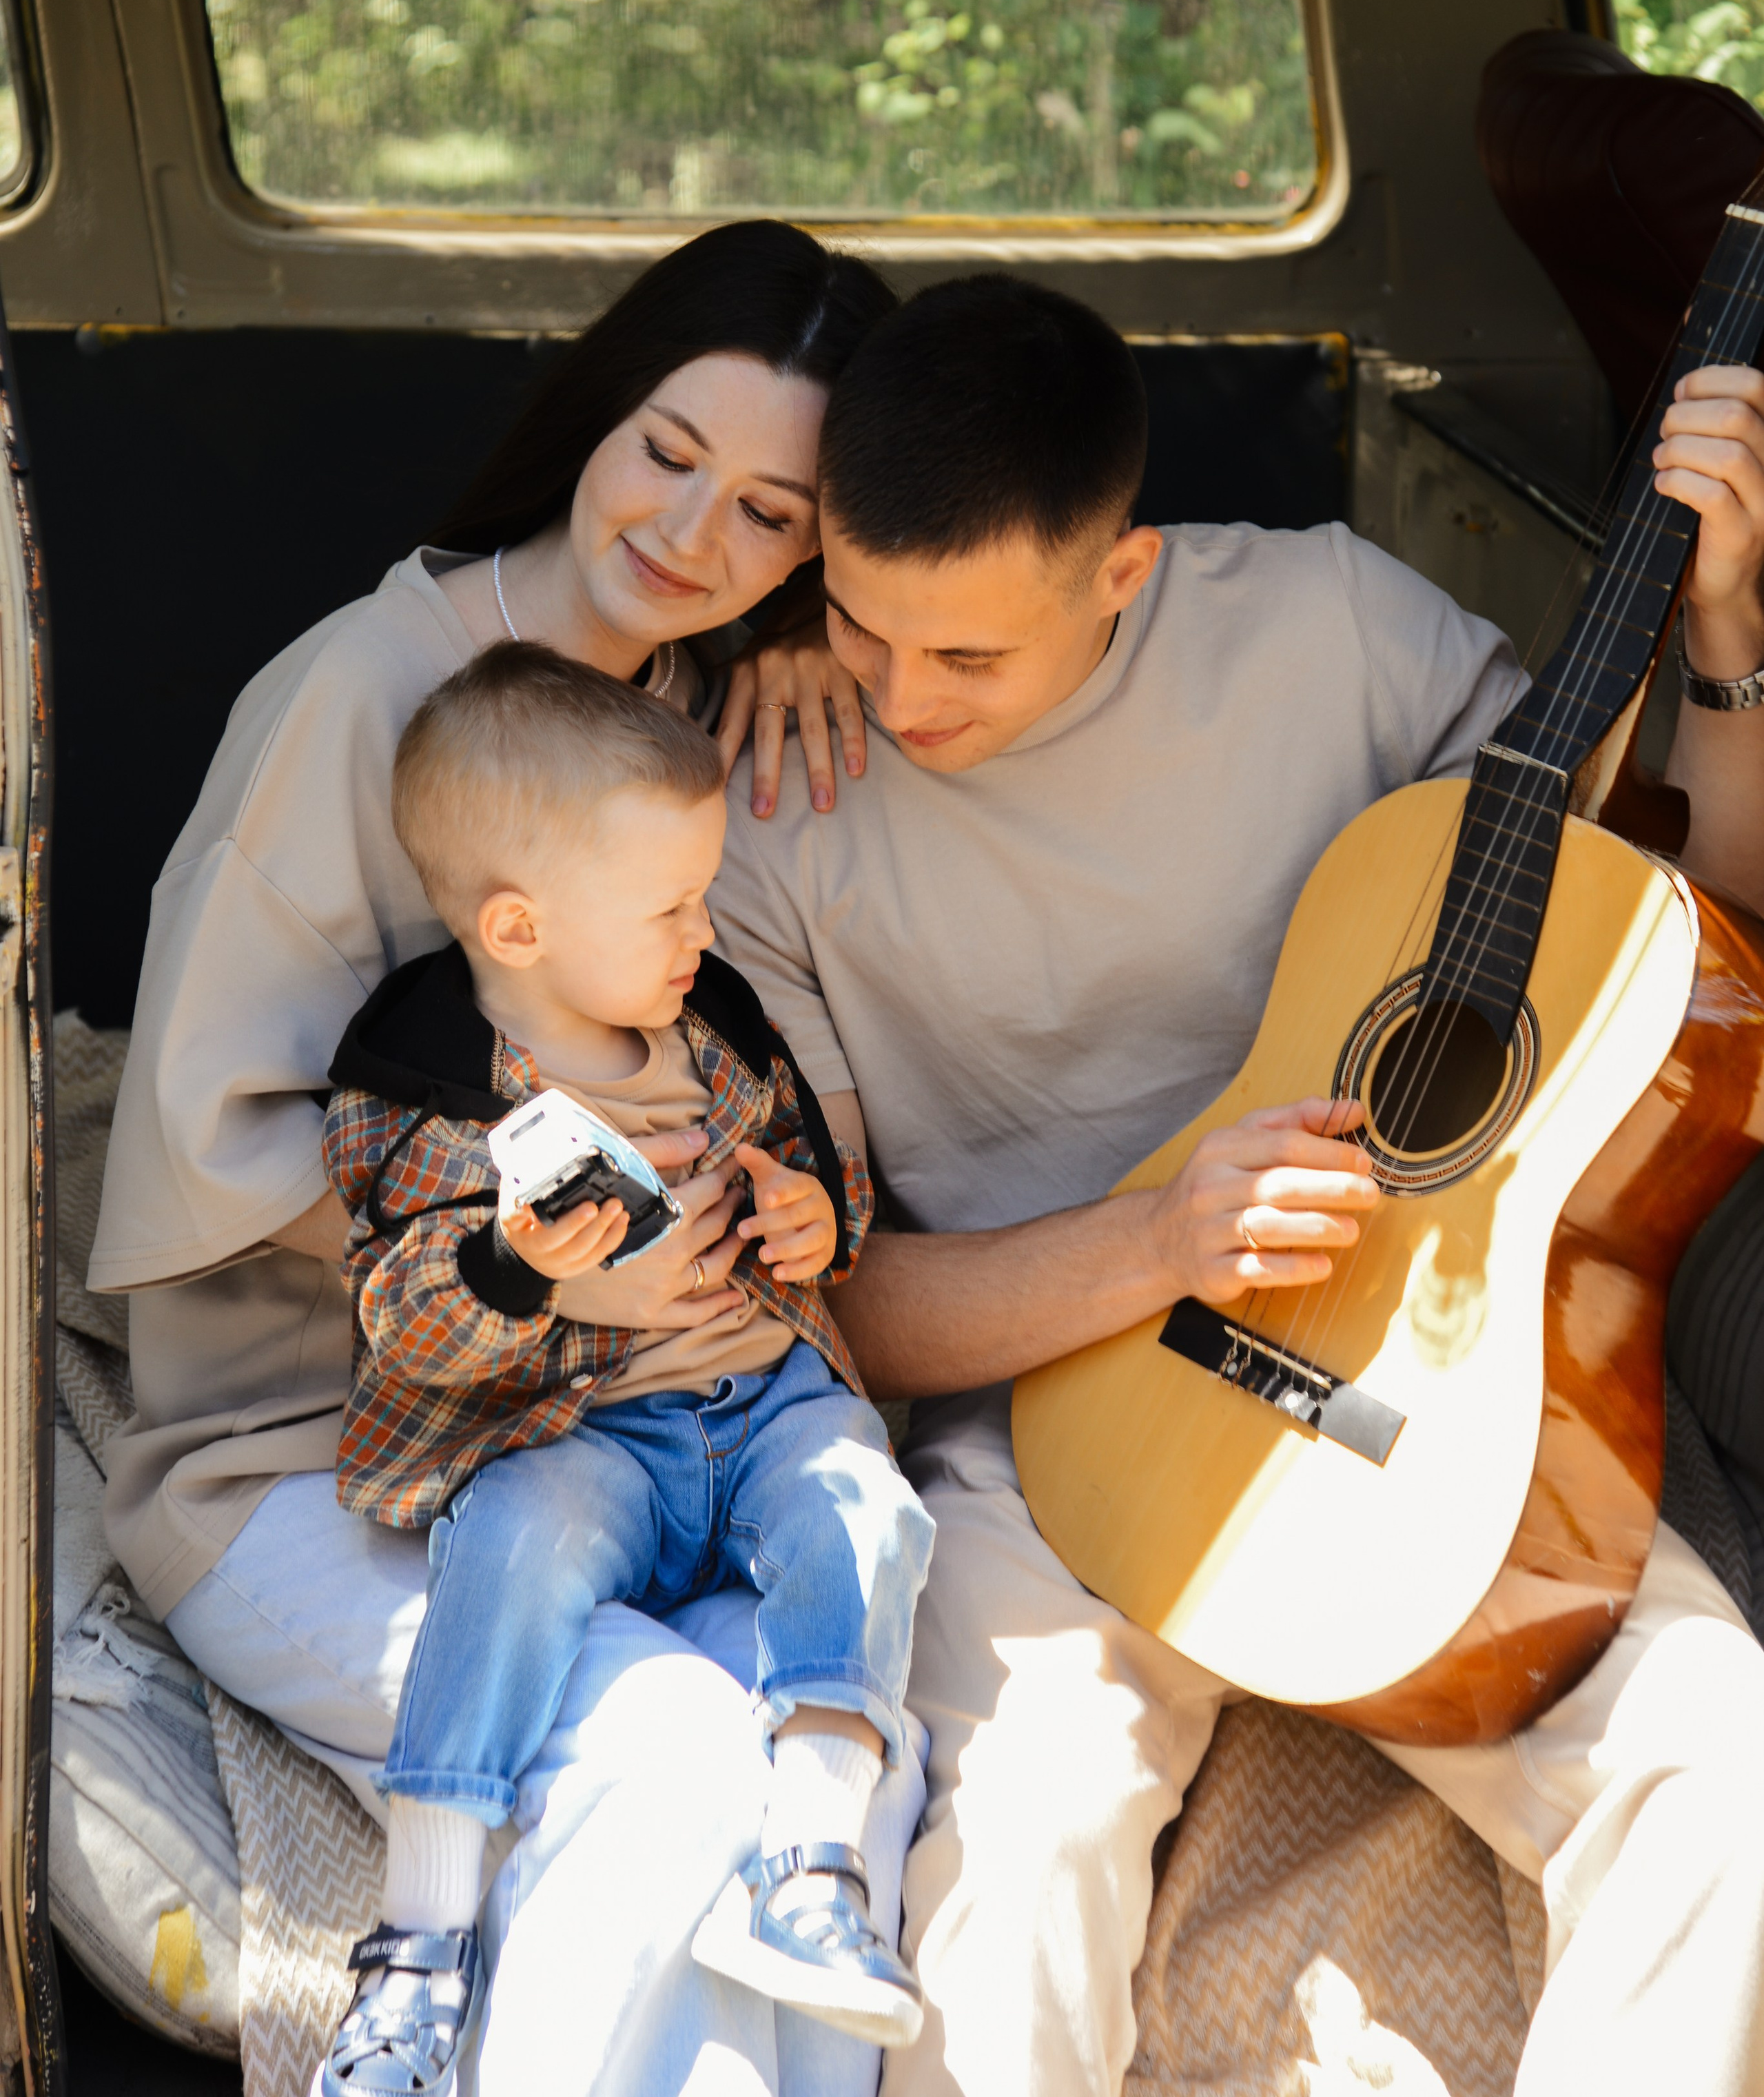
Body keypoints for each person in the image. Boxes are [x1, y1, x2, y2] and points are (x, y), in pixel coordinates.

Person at [709, 273, 1764, 2097]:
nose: (898, 697)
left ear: (1125, 573)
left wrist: (1731, 622)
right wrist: (1157, 1236)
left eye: (968, 657)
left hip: (1429, 1401)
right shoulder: (770, 795)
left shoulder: (1332, 628)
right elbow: (848, 1308)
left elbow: (1684, 932)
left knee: (1720, 1766)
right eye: (858, 622)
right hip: (1047, 1426)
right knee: (1021, 1842)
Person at [88, 220, 923, 2097]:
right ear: (595, 410)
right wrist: (554, 1246)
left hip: (652, 1434)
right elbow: (205, 1128)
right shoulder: (360, 692)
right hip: (317, 1440)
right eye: (668, 450)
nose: (697, 533)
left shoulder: (718, 704)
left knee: (857, 1748)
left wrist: (795, 644)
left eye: (774, 518)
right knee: (662, 1758)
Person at [318, 646, 932, 2095]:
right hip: (583, 1427)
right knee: (512, 1546)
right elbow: (400, 1313)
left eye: (703, 897)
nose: (699, 933)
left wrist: (808, 1213)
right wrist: (523, 1266)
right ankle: (418, 1943)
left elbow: (811, 1170)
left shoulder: (706, 1019)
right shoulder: (433, 1074)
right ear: (519, 926)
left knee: (865, 1500)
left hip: (767, 1404)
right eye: (668, 906)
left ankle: (817, 1869)